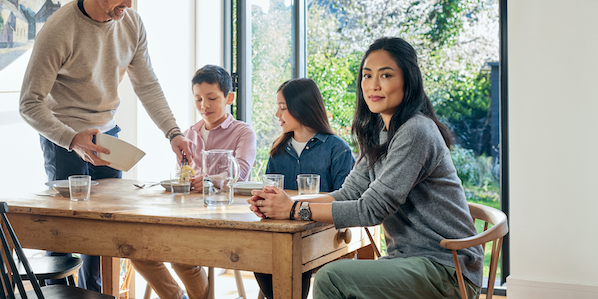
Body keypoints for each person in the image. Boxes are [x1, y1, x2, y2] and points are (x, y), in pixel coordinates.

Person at [247, 37, 484, 299]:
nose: (373, 85)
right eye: (367, 75)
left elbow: (371, 209)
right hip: (408, 261)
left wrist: (294, 210)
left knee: (331, 278)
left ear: (409, 80)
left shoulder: (416, 130)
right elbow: (348, 193)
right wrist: (282, 204)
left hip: (446, 268)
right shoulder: (380, 132)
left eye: (386, 75)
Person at [19, 0, 193, 292]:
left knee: (106, 237)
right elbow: (29, 103)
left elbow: (147, 85)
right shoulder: (59, 29)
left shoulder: (132, 24)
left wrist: (173, 133)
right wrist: (72, 139)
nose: (128, 3)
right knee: (64, 237)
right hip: (64, 141)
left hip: (108, 138)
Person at [132, 64, 256, 299]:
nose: (204, 105)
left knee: (180, 257)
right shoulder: (188, 134)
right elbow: (183, 175)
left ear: (229, 98)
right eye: (198, 99)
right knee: (135, 249)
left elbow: (241, 173)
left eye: (212, 98)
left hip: (225, 218)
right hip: (187, 216)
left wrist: (210, 181)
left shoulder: (243, 132)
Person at [253, 78, 355, 299]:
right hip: (283, 233)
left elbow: (346, 201)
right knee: (259, 254)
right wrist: (262, 204)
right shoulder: (277, 151)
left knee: (291, 259)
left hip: (323, 234)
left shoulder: (338, 150)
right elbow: (272, 195)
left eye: (282, 108)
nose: (277, 114)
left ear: (301, 108)